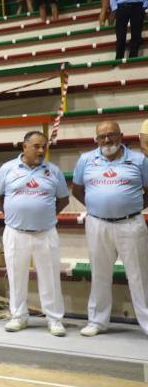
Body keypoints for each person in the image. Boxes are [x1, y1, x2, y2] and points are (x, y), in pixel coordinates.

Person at [71, 120, 148, 336]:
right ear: (96, 139)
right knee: (100, 274)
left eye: (111, 135)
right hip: (97, 224)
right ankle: (97, 321)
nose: (107, 140)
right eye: (101, 136)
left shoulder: (139, 160)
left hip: (131, 224)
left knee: (140, 276)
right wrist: (99, 207)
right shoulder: (85, 160)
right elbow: (77, 190)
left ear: (121, 136)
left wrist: (130, 207)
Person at [0, 131, 70, 336]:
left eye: (44, 146)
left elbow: (63, 200)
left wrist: (43, 216)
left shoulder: (54, 171)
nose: (41, 150)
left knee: (50, 278)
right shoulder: (7, 169)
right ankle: (19, 317)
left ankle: (54, 319)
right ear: (24, 147)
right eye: (36, 146)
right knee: (16, 276)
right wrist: (15, 214)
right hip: (16, 232)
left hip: (46, 232)